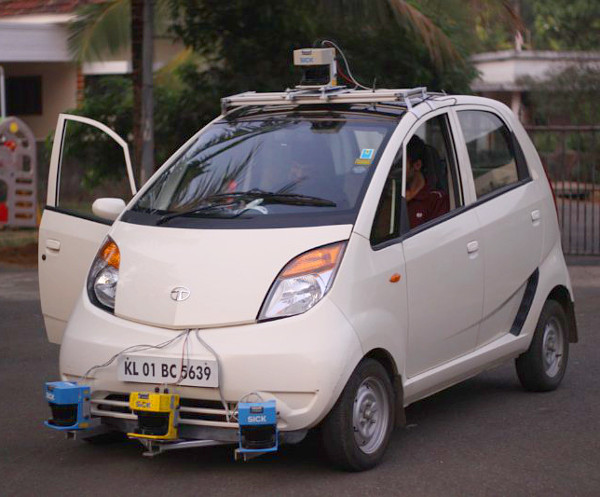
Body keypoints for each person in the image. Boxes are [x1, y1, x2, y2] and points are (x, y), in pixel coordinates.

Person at [405, 135, 449, 228]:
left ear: (417, 165)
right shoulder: (389, 196)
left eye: (401, 164)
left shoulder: (436, 200)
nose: (395, 169)